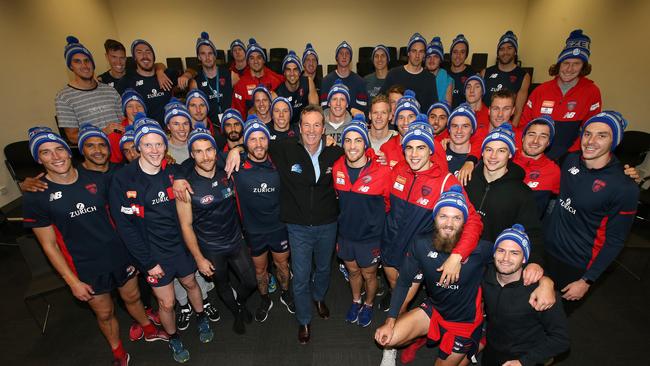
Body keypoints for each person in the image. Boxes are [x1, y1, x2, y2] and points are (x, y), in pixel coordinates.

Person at [23, 127, 167, 366]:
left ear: (69, 153)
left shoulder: (99, 178)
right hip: (85, 267)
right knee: (105, 313)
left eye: (59, 149)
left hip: (120, 256)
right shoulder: (37, 195)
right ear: (38, 159)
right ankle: (118, 352)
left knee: (132, 297)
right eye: (46, 153)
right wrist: (72, 282)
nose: (56, 156)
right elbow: (49, 246)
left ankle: (147, 326)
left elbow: (137, 173)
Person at [222, 105, 345, 344]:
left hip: (328, 224)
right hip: (297, 227)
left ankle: (319, 297)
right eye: (306, 125)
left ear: (323, 128)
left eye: (316, 125)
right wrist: (236, 149)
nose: (311, 130)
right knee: (300, 275)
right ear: (299, 128)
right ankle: (304, 320)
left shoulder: (335, 152)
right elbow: (257, 145)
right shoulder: (285, 148)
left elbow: (360, 157)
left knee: (322, 268)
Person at [109, 117, 214, 363]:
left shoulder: (172, 171)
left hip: (180, 248)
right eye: (148, 145)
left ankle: (201, 318)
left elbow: (193, 163)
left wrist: (178, 175)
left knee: (191, 284)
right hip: (153, 255)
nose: (154, 150)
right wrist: (147, 262)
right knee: (166, 303)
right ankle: (174, 337)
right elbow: (126, 229)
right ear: (138, 147)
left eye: (159, 144)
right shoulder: (123, 180)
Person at [375, 186, 489, 366]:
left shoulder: (480, 249)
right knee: (389, 338)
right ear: (434, 217)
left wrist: (544, 280)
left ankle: (479, 340)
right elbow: (403, 282)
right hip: (435, 308)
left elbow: (511, 262)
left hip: (463, 322)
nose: (449, 224)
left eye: (456, 218)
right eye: (443, 216)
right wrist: (390, 321)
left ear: (465, 222)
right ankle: (424, 336)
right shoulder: (421, 243)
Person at [544, 111, 639, 314]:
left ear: (614, 142)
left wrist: (587, 280)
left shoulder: (624, 187)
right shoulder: (569, 160)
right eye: (587, 134)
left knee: (551, 322)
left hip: (575, 264)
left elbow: (616, 241)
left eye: (602, 135)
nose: (591, 141)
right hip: (545, 251)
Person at [175, 124, 257, 334]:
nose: (205, 157)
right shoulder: (186, 185)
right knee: (222, 284)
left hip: (235, 240)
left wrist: (236, 150)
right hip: (210, 248)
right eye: (199, 152)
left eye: (209, 150)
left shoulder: (227, 169)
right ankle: (236, 311)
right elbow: (185, 225)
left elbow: (250, 148)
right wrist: (198, 258)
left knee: (251, 282)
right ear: (192, 154)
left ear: (215, 150)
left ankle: (239, 302)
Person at [231, 118, 295, 322]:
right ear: (245, 142)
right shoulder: (236, 165)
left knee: (283, 266)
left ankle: (285, 293)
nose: (258, 144)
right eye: (252, 139)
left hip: (279, 228)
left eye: (262, 139)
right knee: (260, 270)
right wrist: (235, 149)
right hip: (253, 231)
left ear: (268, 141)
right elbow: (198, 161)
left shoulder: (279, 162)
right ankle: (265, 298)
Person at [464, 123, 546, 275]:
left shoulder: (522, 192)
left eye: (501, 150)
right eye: (489, 150)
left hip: (496, 264)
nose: (493, 156)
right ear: (482, 153)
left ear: (510, 154)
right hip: (464, 255)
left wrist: (535, 261)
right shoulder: (467, 180)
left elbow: (533, 231)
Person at [482, 224, 569, 366]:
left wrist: (524, 362)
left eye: (514, 253)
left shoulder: (540, 293)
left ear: (524, 259)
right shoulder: (486, 274)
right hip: (491, 350)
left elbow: (561, 339)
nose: (505, 258)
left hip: (522, 357)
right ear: (494, 253)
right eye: (501, 250)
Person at [333, 120, 392, 327]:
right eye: (348, 140)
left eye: (358, 140)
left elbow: (388, 204)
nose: (352, 146)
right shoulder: (337, 167)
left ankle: (368, 304)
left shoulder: (382, 172)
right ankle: (356, 300)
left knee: (369, 274)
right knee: (353, 272)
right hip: (346, 235)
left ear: (366, 144)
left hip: (370, 239)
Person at [520, 29, 601, 160]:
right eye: (566, 63)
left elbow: (591, 130)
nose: (569, 69)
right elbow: (524, 124)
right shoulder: (541, 90)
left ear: (583, 66)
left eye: (576, 64)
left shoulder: (592, 91)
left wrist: (571, 156)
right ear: (559, 64)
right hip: (535, 155)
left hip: (569, 157)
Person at [56, 36, 124, 144]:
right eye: (77, 61)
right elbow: (72, 136)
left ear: (93, 63)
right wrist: (103, 132)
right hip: (97, 156)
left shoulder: (110, 90)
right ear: (71, 66)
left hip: (122, 152)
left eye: (87, 61)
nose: (84, 66)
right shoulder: (64, 97)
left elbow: (123, 121)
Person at [123, 38, 195, 125]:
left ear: (154, 56)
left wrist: (186, 75)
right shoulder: (128, 81)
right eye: (139, 52)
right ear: (134, 58)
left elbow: (193, 71)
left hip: (172, 130)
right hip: (148, 132)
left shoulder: (167, 74)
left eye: (148, 52)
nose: (145, 55)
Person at [379, 91, 447, 170]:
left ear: (418, 118)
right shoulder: (386, 148)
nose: (406, 122)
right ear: (396, 121)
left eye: (411, 117)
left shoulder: (433, 146)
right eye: (401, 117)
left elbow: (442, 177)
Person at [512, 116, 561, 216]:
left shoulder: (553, 171)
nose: (535, 141)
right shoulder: (506, 159)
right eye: (531, 134)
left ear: (548, 143)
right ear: (523, 137)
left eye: (543, 136)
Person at [481, 31, 531, 126]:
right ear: (498, 52)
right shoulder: (485, 72)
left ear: (515, 51)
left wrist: (510, 132)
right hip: (483, 124)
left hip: (505, 126)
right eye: (502, 49)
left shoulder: (523, 76)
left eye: (509, 48)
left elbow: (518, 110)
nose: (505, 52)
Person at [380, 33, 438, 112]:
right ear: (408, 53)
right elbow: (381, 101)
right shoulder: (393, 74)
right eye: (414, 51)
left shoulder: (430, 78)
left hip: (419, 123)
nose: (417, 55)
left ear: (424, 55)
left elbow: (433, 109)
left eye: (421, 52)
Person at [189, 32, 236, 127]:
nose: (207, 57)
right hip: (210, 127)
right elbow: (194, 111)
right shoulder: (195, 83)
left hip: (231, 125)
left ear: (215, 55)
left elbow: (240, 101)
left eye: (210, 53)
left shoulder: (231, 75)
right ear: (198, 57)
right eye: (203, 54)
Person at [232, 38, 284, 116]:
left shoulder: (276, 80)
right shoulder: (240, 85)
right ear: (248, 62)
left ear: (263, 60)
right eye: (252, 58)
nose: (256, 61)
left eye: (259, 57)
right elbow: (238, 115)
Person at [320, 41, 368, 114]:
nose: (344, 56)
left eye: (347, 54)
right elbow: (325, 109)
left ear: (351, 58)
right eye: (341, 53)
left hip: (353, 122)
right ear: (336, 57)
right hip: (332, 122)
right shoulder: (326, 81)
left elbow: (362, 110)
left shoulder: (360, 82)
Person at [275, 50, 319, 124]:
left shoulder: (308, 82)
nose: (292, 74)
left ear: (299, 72)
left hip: (304, 125)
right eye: (288, 70)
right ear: (284, 73)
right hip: (287, 127)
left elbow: (315, 110)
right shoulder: (278, 93)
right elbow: (280, 121)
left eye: (295, 69)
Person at [108, 89, 147, 163]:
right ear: (125, 111)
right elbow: (115, 166)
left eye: (139, 106)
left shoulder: (153, 127)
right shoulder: (116, 135)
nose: (135, 110)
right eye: (130, 106)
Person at [445, 106, 476, 176]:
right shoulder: (438, 153)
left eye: (465, 126)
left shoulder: (477, 161)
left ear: (472, 130)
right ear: (449, 129)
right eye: (455, 126)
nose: (459, 131)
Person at [448, 34, 477, 108]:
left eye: (462, 52)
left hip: (464, 117)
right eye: (455, 52)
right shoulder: (443, 72)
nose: (458, 56)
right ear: (451, 54)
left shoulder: (473, 74)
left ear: (466, 55)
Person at [324, 80, 353, 144]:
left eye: (342, 100)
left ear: (347, 104)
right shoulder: (318, 124)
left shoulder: (354, 126)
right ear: (329, 103)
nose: (338, 103)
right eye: (334, 99)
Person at [425, 37, 453, 105]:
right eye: (429, 57)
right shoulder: (419, 76)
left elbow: (447, 107)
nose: (432, 60)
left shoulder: (447, 80)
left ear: (440, 60)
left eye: (436, 57)